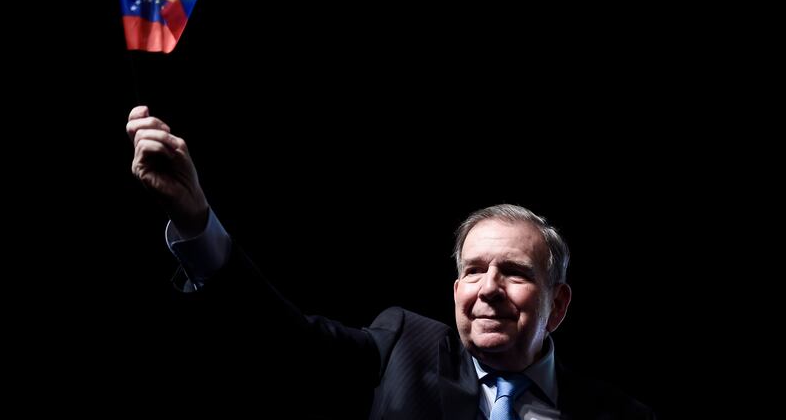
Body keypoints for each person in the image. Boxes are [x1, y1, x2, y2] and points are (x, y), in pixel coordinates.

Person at [126, 105, 656, 419]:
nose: (488, 287)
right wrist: (196, 219)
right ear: (455, 292)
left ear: (558, 303)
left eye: (514, 272)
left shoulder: (618, 413)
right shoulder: (404, 344)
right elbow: (278, 338)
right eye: (473, 270)